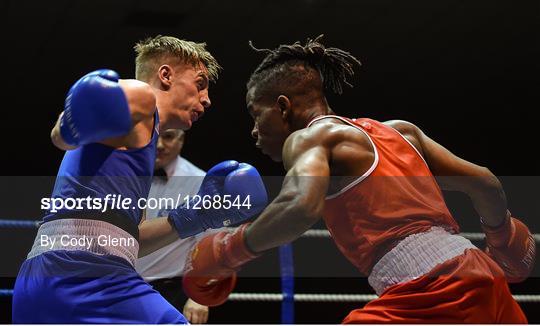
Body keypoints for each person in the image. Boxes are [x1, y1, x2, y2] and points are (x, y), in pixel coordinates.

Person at [182, 36, 535, 323]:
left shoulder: (310, 138)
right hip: (482, 278)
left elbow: (299, 205)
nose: (255, 131)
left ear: (283, 107)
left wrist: (230, 250)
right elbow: (485, 183)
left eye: (256, 114)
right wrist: (502, 236)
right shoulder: (401, 133)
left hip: (431, 294)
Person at [12, 35, 267, 323]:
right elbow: (65, 129)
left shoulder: (140, 144)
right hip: (88, 275)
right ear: (166, 75)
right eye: (200, 84)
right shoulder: (142, 98)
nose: (206, 99)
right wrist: (66, 129)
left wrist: (195, 216)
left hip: (42, 279)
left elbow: (132, 239)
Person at [136, 128, 211, 324]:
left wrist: (199, 296)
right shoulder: (125, 174)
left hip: (169, 293)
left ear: (181, 139)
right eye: (154, 137)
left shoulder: (200, 182)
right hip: (118, 286)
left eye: (168, 137)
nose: (160, 145)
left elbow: (211, 246)